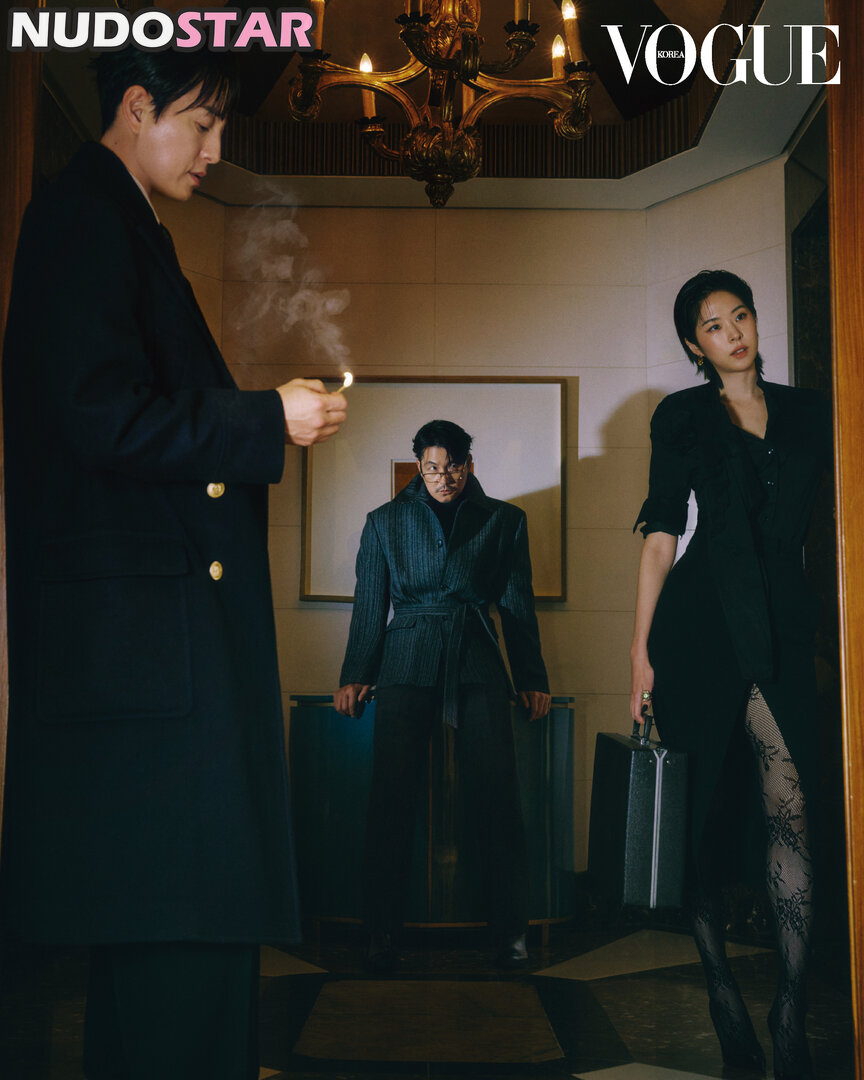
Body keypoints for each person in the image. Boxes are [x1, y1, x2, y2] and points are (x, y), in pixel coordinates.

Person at [1, 46, 346, 1079]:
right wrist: (264, 417)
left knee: (175, 940)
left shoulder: (116, 220)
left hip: (146, 652)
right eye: (201, 124)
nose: (215, 147)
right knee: (183, 930)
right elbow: (101, 415)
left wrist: (262, 417)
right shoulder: (83, 216)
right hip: (142, 654)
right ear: (136, 105)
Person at [630, 270, 831, 1080]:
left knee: (793, 807)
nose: (734, 332)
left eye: (740, 315)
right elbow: (660, 532)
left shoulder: (812, 410)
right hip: (700, 626)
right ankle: (721, 992)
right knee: (705, 815)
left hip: (782, 624)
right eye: (714, 325)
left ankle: (790, 1008)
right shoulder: (681, 415)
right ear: (695, 344)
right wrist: (639, 653)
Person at [334, 420, 551, 971]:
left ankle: (511, 933)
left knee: (498, 795)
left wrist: (532, 677)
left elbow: (517, 605)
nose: (443, 478)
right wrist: (356, 672)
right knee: (390, 798)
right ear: (418, 467)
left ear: (468, 465)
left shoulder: (504, 520)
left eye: (453, 467)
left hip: (476, 656)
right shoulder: (384, 521)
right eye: (432, 468)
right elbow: (369, 603)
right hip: (405, 659)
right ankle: (381, 933)